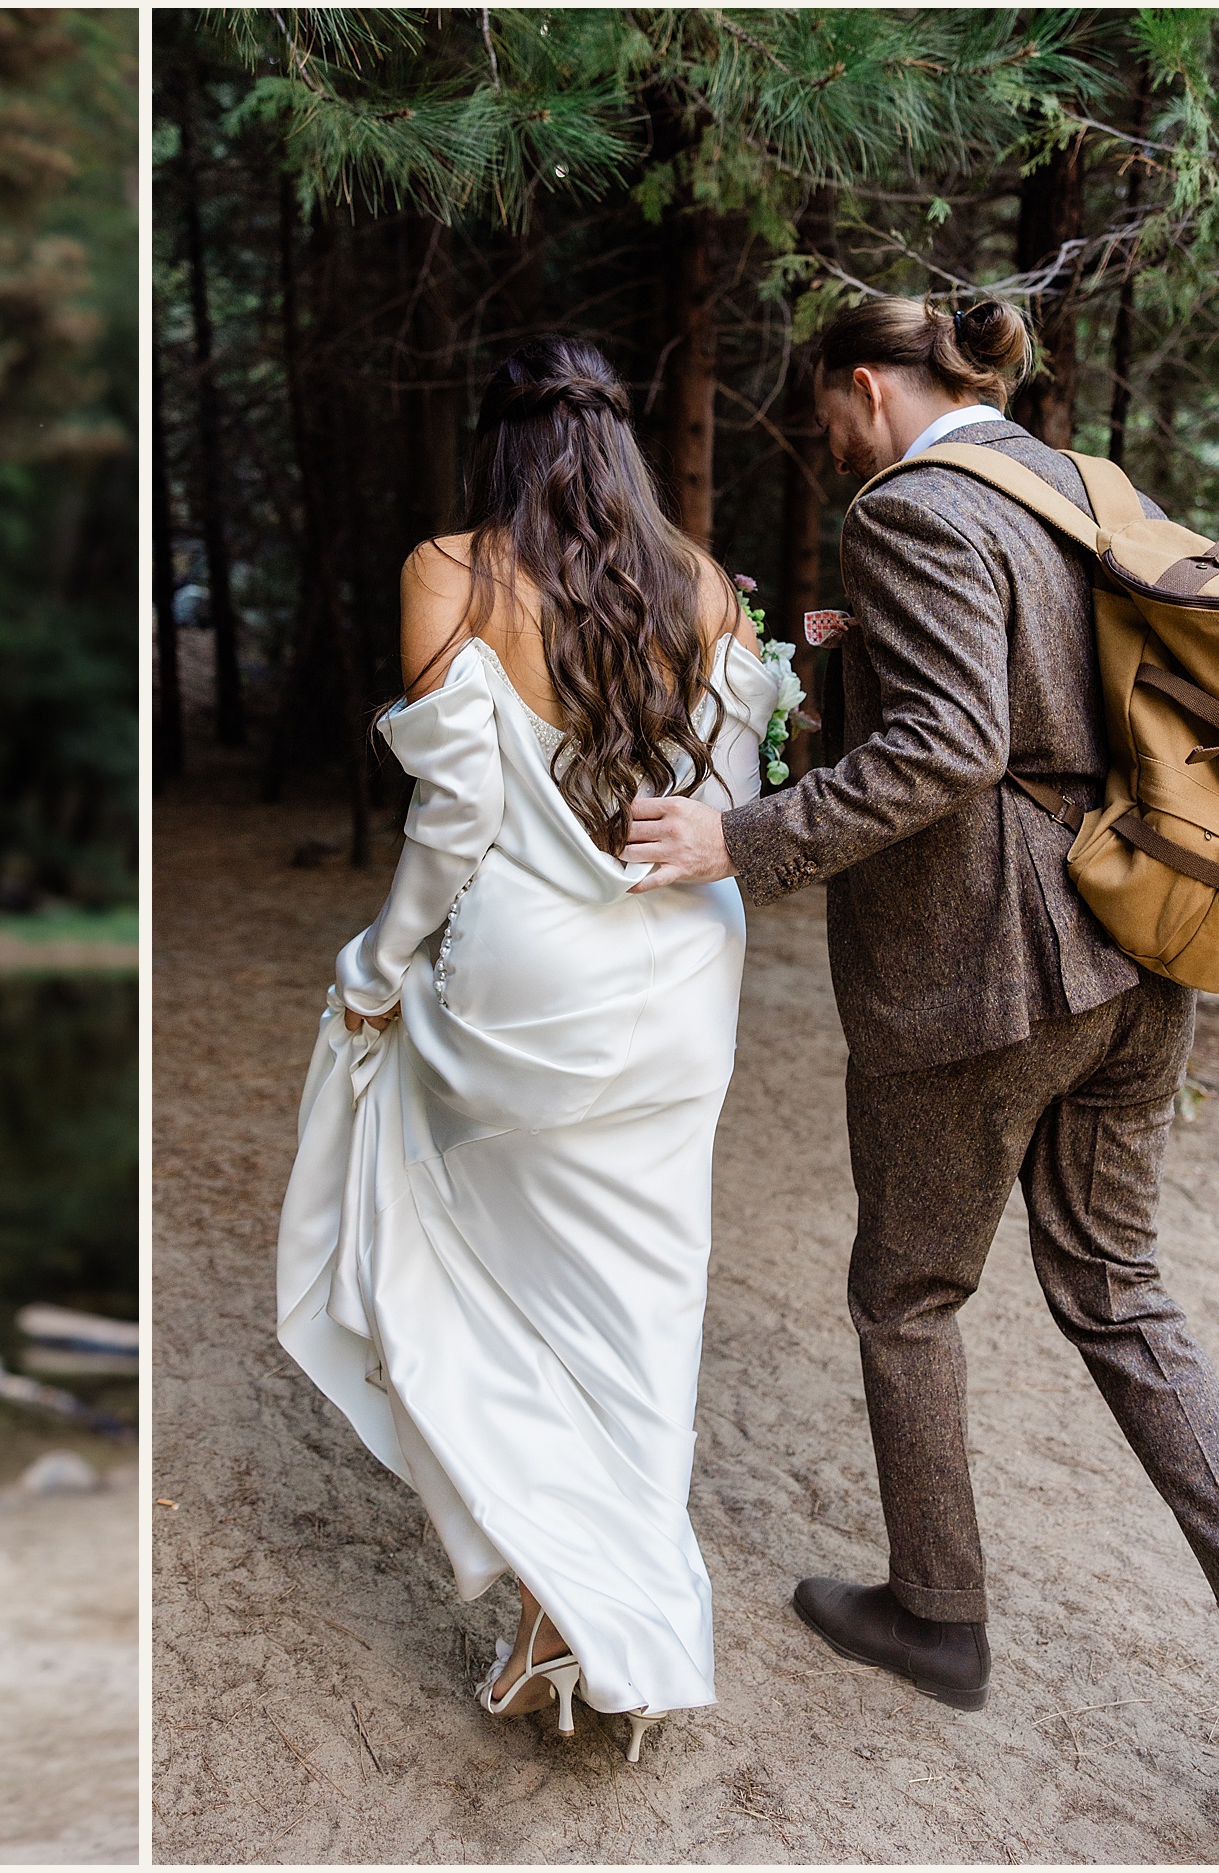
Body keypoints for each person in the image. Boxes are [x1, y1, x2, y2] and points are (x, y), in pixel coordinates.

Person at [619, 293, 1219, 1787]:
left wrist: (737, 835)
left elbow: (956, 747)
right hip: (1140, 954)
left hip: (983, 976)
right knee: (1124, 1294)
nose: (829, 441)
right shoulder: (1068, 485)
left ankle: (939, 1616)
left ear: (862, 388)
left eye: (828, 410)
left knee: (906, 1294)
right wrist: (850, 666)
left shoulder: (909, 510)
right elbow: (1046, 699)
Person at [275, 336, 777, 1761]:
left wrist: (375, 969)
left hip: (527, 990)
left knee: (471, 1283)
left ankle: (571, 1594)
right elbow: (724, 803)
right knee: (640, 1313)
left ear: (497, 444)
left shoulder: (454, 571)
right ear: (618, 442)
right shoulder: (708, 583)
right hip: (684, 980)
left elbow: (452, 827)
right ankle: (599, 1607)